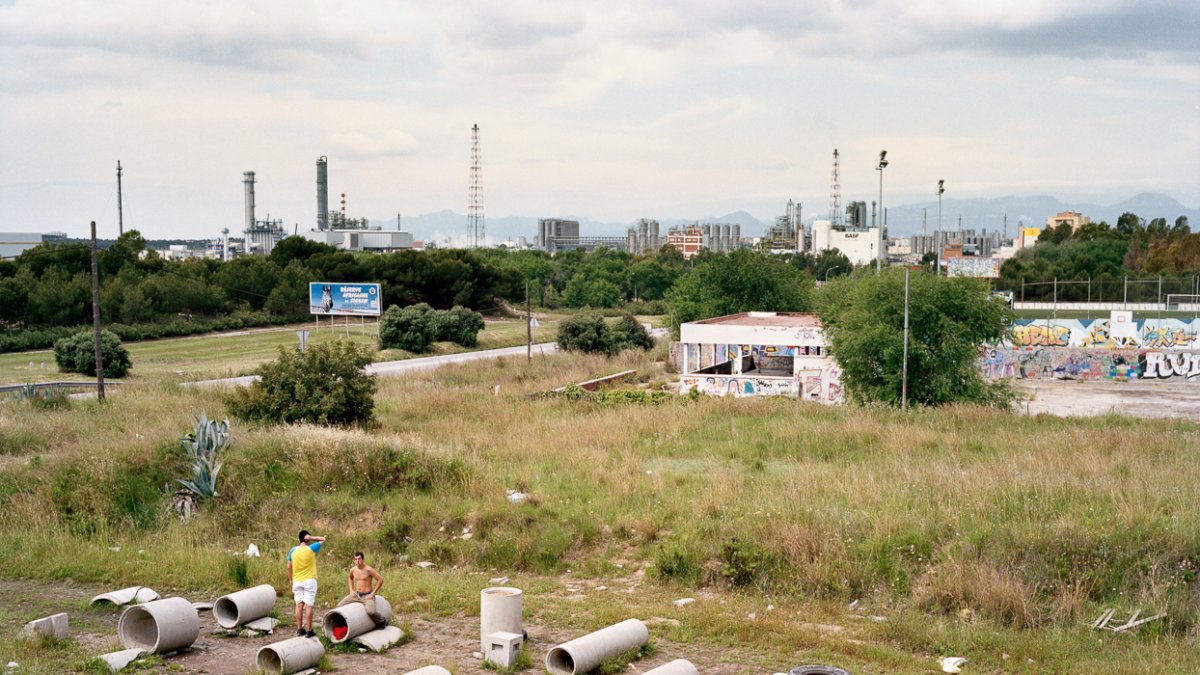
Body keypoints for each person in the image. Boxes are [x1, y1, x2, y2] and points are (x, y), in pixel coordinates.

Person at [287, 529, 326, 638]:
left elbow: (288, 566)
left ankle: (299, 629)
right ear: (307, 538)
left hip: (297, 581)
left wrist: (291, 580)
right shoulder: (311, 548)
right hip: (309, 580)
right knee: (308, 605)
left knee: (299, 604)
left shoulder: (292, 550)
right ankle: (309, 630)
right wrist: (311, 537)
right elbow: (323, 539)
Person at [338, 551, 387, 628]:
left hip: (367, 596)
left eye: (359, 559)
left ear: (363, 559)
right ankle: (342, 624)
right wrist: (351, 590)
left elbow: (381, 580)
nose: (357, 561)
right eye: (356, 559)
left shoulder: (369, 570)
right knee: (339, 606)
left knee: (371, 612)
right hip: (356, 595)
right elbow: (350, 578)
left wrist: (373, 593)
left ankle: (382, 621)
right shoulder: (353, 570)